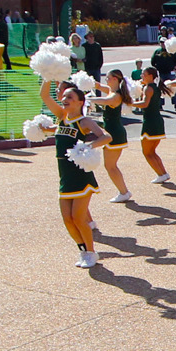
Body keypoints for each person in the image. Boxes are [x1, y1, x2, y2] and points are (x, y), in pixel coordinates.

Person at [42, 79, 112, 267]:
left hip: (80, 175)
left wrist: (87, 146)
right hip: (64, 175)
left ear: (80, 102)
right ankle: (83, 251)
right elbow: (45, 96)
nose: (65, 99)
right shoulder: (61, 116)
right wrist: (48, 75)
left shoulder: (84, 121)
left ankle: (91, 252)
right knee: (67, 219)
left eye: (70, 97)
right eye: (64, 96)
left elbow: (106, 136)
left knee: (78, 218)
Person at [92, 70, 134, 201]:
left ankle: (124, 192)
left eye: (108, 78)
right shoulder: (111, 90)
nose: (107, 80)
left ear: (116, 79)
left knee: (111, 166)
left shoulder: (115, 96)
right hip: (111, 132)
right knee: (110, 165)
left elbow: (104, 101)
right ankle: (123, 192)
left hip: (115, 133)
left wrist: (85, 100)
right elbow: (98, 86)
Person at [134, 65, 170, 182]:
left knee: (147, 152)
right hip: (157, 120)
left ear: (150, 76)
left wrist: (130, 103)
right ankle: (163, 173)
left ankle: (161, 174)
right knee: (151, 151)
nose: (141, 76)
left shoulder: (148, 88)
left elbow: (145, 104)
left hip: (150, 121)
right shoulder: (155, 87)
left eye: (143, 74)